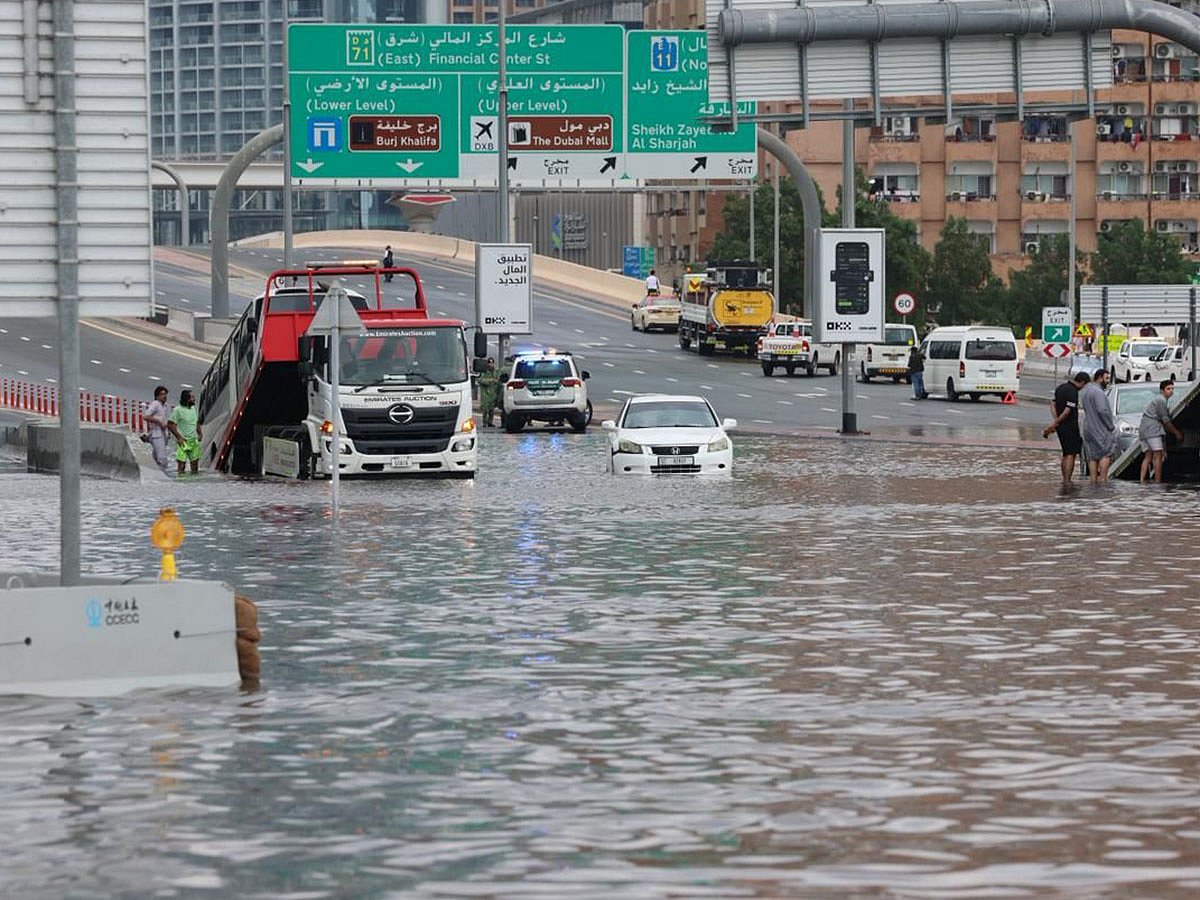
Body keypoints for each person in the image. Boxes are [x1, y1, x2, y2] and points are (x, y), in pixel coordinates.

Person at [1043, 371, 1089, 483]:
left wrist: (1056, 420)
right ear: (1082, 382)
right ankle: (1067, 480)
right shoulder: (1073, 392)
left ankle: (1065, 479)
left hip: (1061, 427)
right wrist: (1056, 422)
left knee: (1065, 453)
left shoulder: (1061, 388)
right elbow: (1067, 411)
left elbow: (1052, 403)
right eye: (1085, 385)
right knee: (1071, 454)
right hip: (1070, 426)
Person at [1138, 379, 1184, 483]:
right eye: (1168, 389)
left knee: (1148, 456)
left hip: (1144, 429)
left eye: (1172, 388)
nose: (1171, 391)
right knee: (1158, 455)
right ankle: (1158, 481)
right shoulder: (1161, 400)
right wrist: (1176, 433)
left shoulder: (1159, 400)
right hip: (1152, 430)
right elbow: (1166, 420)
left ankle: (1142, 481)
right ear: (1162, 390)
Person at [1079, 369, 1118, 483]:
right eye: (1106, 379)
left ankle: (1093, 480)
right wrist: (1110, 425)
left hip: (1088, 428)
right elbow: (1102, 410)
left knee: (1092, 456)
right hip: (1099, 428)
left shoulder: (1086, 391)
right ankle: (1103, 479)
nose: (1107, 381)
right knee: (1105, 453)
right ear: (1099, 378)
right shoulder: (1098, 392)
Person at [167, 389, 203, 475]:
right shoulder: (177, 410)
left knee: (195, 465)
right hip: (183, 442)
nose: (194, 399)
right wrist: (179, 437)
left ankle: (193, 481)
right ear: (187, 399)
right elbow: (170, 424)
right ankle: (181, 482)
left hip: (193, 441)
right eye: (192, 397)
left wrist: (200, 433)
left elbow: (196, 422)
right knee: (181, 465)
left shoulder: (193, 409)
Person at [477, 357, 502, 427]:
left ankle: (490, 422)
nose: (490, 364)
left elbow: (498, 380)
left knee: (492, 409)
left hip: (493, 392)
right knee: (485, 409)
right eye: (489, 363)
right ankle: (484, 422)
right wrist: (490, 381)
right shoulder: (484, 372)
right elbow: (480, 380)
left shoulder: (496, 372)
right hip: (485, 393)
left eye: (492, 363)